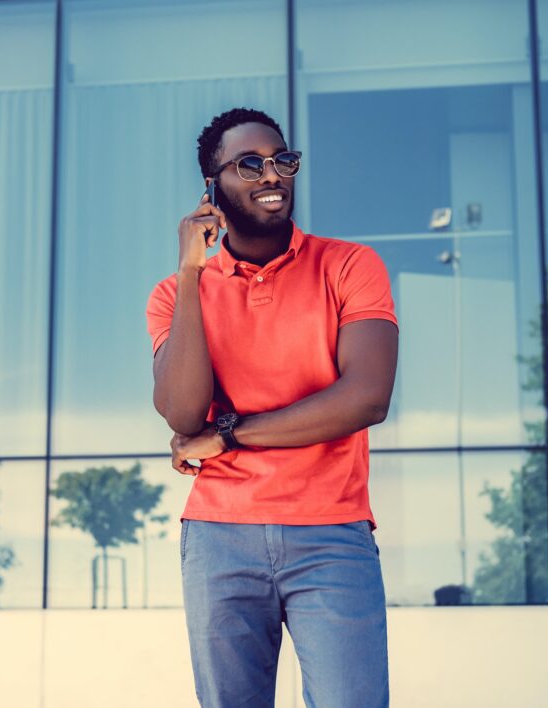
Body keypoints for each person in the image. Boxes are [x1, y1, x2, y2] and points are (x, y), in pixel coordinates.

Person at [146, 107, 399, 708]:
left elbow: (366, 397)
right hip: (218, 538)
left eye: (283, 160)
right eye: (249, 164)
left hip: (332, 534)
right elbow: (183, 416)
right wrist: (190, 271)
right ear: (211, 187)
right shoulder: (172, 296)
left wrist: (227, 436)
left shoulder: (350, 266)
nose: (273, 175)